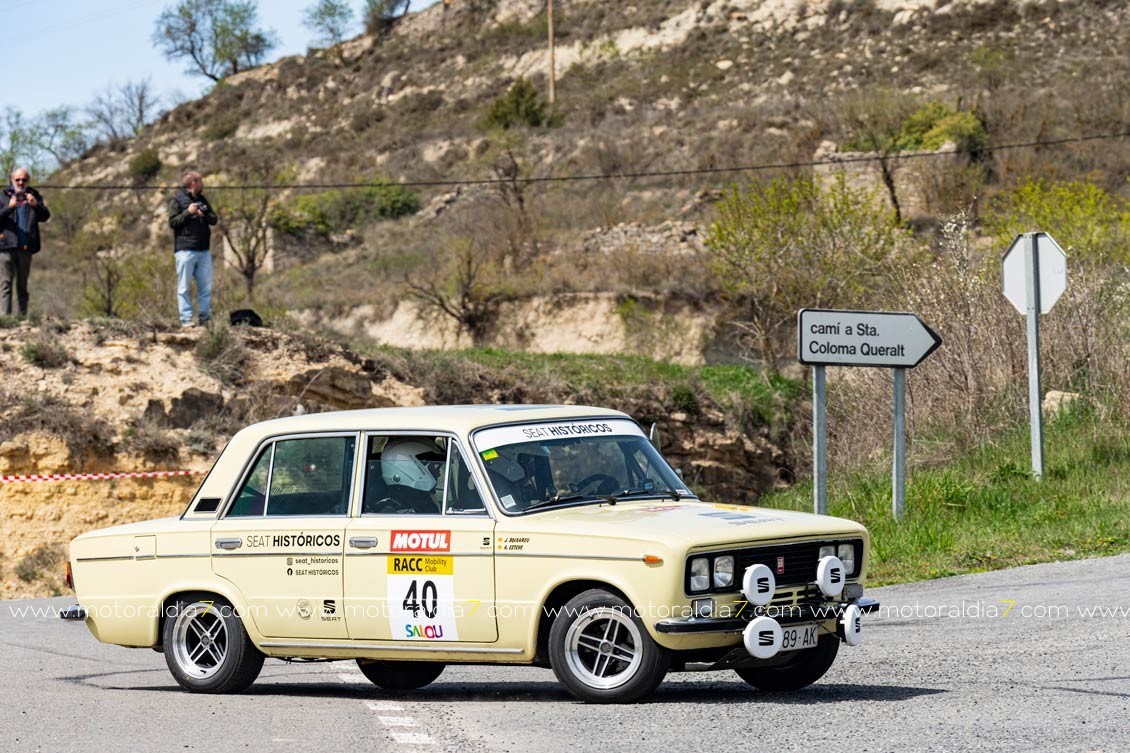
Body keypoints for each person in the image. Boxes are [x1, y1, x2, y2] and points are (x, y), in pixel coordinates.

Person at [168, 170, 218, 327]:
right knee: (184, 287)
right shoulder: (177, 199)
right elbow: (172, 223)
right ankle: (186, 320)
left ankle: (205, 318)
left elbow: (214, 219)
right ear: (193, 183)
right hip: (185, 251)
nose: (203, 184)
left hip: (203, 251)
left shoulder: (202, 199)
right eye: (201, 181)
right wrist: (188, 213)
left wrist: (204, 215)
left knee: (205, 287)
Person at [0, 168, 51, 317]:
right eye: (18, 180)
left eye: (24, 179)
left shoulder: (34, 196)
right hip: (5, 247)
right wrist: (9, 208)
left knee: (22, 285)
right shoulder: (3, 196)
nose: (21, 182)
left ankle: (22, 318)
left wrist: (36, 205)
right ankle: (5, 318)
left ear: (28, 181)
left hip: (25, 247)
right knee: (5, 284)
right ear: (11, 180)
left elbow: (45, 216)